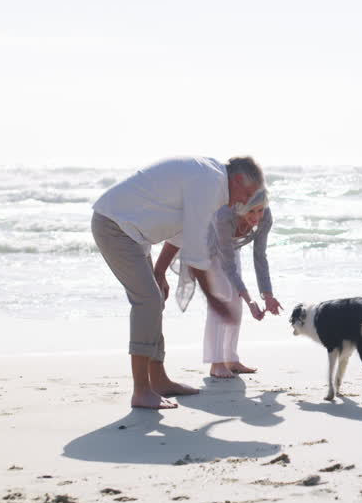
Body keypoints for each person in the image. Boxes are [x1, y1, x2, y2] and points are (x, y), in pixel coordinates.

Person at [91, 156, 264, 409]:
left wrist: (160, 272)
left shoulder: (212, 181)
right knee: (147, 302)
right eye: (247, 193)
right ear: (237, 180)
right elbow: (195, 248)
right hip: (115, 227)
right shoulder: (211, 182)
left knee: (155, 299)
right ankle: (141, 391)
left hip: (135, 234)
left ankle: (159, 381)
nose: (245, 201)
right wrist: (214, 299)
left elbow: (182, 233)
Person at [153, 189, 282, 378]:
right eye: (251, 211)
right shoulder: (224, 214)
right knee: (223, 295)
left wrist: (267, 296)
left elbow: (260, 256)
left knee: (235, 303)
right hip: (206, 246)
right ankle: (217, 363)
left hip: (230, 248)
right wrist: (250, 300)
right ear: (239, 208)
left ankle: (231, 358)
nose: (256, 217)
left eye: (260, 210)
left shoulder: (265, 216)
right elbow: (228, 268)